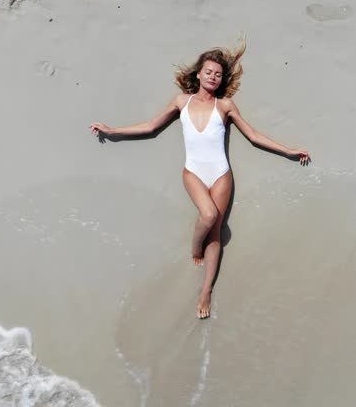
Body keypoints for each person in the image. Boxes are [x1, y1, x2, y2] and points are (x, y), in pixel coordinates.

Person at [89, 41, 310, 319]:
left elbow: (253, 136)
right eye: (208, 72)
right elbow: (151, 126)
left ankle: (206, 289)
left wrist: (288, 150)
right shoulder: (182, 101)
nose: (212, 77)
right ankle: (195, 246)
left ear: (221, 80)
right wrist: (113, 130)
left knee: (216, 230)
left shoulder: (226, 105)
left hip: (221, 174)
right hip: (193, 171)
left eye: (217, 74)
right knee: (207, 215)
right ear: (198, 74)